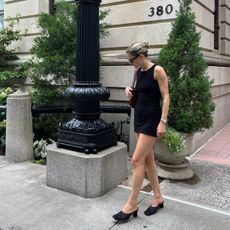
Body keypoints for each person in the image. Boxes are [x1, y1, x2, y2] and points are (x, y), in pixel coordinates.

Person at [113, 42, 170, 221]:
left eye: (131, 60)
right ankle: (158, 196)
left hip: (152, 120)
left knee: (137, 160)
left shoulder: (157, 70)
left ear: (141, 56)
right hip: (139, 117)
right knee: (148, 159)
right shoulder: (137, 72)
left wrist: (163, 122)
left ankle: (131, 204)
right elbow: (138, 92)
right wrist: (128, 90)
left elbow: (166, 96)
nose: (131, 63)